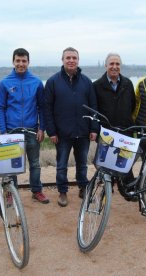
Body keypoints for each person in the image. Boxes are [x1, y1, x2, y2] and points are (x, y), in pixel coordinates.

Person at [44, 47, 99, 207]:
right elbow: (47, 108)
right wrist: (51, 131)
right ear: (62, 60)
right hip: (62, 133)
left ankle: (83, 187)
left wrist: (94, 128)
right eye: (68, 57)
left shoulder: (87, 82)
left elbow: (93, 106)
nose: (71, 60)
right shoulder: (53, 82)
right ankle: (62, 191)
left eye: (74, 58)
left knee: (82, 163)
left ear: (78, 60)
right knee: (61, 166)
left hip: (83, 132)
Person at [0, 48, 49, 204]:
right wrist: (3, 131)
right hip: (12, 131)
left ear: (28, 62)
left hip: (32, 130)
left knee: (34, 163)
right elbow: (0, 107)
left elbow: (42, 107)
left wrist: (41, 128)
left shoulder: (36, 82)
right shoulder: (5, 83)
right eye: (18, 61)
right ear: (13, 61)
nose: (21, 64)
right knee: (11, 166)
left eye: (24, 61)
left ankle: (37, 191)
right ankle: (11, 193)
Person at [93, 53, 136, 195]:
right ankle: (106, 188)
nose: (114, 67)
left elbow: (133, 105)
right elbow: (95, 110)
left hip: (125, 129)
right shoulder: (97, 86)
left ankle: (127, 187)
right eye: (111, 64)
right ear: (106, 65)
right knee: (105, 162)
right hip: (107, 131)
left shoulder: (128, 84)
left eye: (117, 64)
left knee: (125, 161)